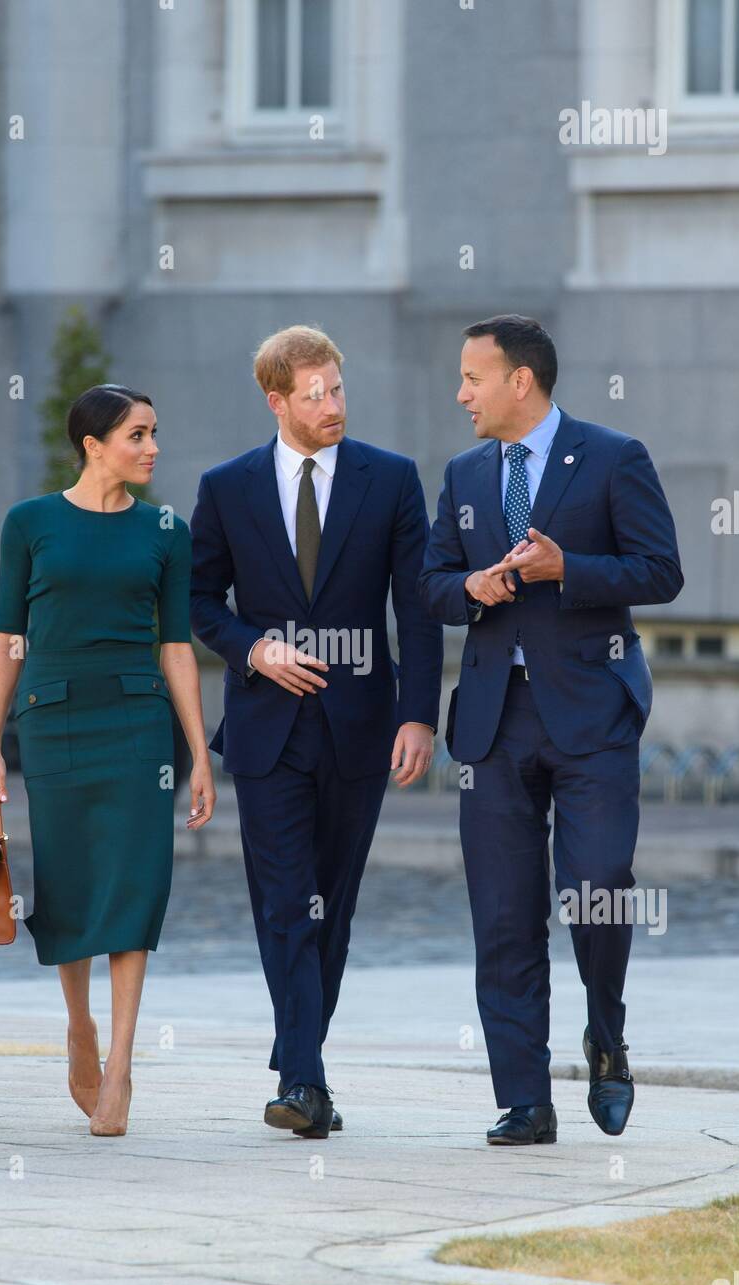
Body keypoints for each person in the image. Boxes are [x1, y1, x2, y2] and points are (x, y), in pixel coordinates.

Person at [418, 315, 683, 1146]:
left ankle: (606, 1035)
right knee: (502, 915)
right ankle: (524, 1099)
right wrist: (472, 587)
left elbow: (661, 571)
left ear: (519, 381)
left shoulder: (613, 457)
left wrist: (569, 568)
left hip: (592, 716)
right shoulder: (463, 473)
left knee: (598, 883)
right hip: (494, 725)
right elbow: (430, 584)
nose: (460, 393)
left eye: (472, 377)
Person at [190, 325, 443, 1138]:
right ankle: (304, 1078)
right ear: (277, 401)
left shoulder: (392, 479)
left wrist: (417, 712)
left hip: (361, 727)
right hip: (267, 732)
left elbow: (420, 606)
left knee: (330, 904)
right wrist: (253, 648)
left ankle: (303, 1066)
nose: (333, 405)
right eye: (315, 395)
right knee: (284, 905)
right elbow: (194, 602)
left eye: (337, 389)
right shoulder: (226, 487)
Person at [0, 384, 216, 1137]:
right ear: (94, 444)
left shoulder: (167, 530)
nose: (152, 448)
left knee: (136, 883)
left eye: (154, 433)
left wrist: (200, 753)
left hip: (139, 721)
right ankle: (79, 1026)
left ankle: (121, 1066)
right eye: (138, 435)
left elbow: (176, 644)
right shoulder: (30, 522)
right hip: (53, 719)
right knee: (74, 882)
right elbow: (9, 638)